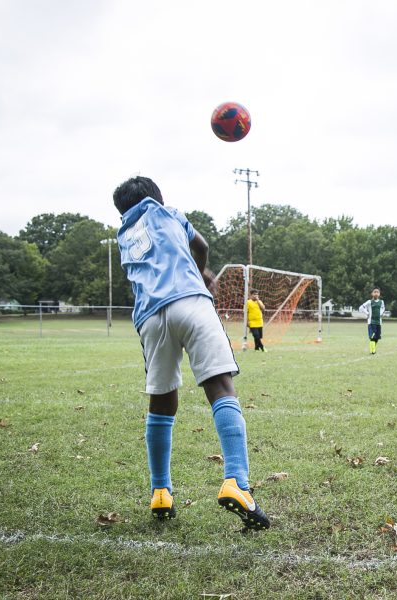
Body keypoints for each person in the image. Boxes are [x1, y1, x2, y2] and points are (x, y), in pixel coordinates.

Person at [113, 176, 269, 529]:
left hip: (150, 318)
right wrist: (202, 273)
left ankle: (160, 491)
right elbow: (202, 246)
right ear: (156, 198)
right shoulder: (169, 214)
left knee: (162, 399)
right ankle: (237, 482)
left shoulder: (124, 237)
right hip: (190, 301)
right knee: (220, 386)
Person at [359, 287, 385, 354]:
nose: (376, 293)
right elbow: (361, 308)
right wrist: (367, 313)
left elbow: (383, 309)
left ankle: (373, 349)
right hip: (371, 322)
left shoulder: (381, 302)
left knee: (377, 338)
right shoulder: (369, 302)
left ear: (379, 294)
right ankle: (372, 351)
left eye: (377, 292)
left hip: (379, 323)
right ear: (372, 293)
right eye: (375, 292)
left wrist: (381, 313)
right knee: (372, 337)